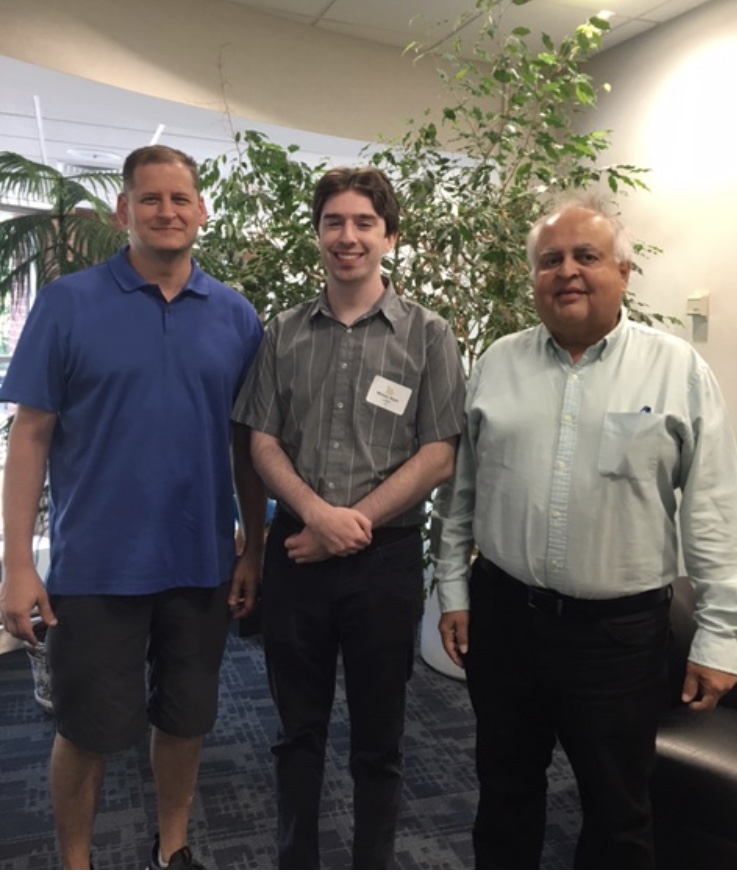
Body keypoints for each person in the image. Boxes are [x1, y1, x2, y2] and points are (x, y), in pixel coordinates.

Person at [435, 193, 737, 869]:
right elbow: (460, 496)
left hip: (617, 638)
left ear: (623, 272)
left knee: (617, 812)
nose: (565, 271)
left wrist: (720, 634)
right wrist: (452, 592)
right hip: (504, 618)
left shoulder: (676, 369)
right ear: (533, 277)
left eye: (585, 256)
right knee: (504, 794)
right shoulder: (496, 363)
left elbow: (712, 511)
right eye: (549, 260)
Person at [0, 145, 265, 871]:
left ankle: (173, 846)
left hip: (200, 562)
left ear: (202, 211)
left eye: (181, 199)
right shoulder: (68, 303)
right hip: (95, 568)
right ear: (124, 210)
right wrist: (18, 564)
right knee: (85, 730)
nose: (167, 211)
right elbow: (30, 435)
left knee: (185, 720)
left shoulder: (236, 316)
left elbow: (248, 445)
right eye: (150, 199)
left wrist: (253, 547)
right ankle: (76, 861)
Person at [232, 166, 466, 869]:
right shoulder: (283, 333)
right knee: (294, 733)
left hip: (383, 564)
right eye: (334, 222)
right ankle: (294, 859)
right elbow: (261, 440)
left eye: (364, 223)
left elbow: (438, 453)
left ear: (389, 237)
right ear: (317, 235)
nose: (347, 236)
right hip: (297, 557)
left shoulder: (428, 336)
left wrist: (349, 524)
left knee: (379, 740)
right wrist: (314, 516)